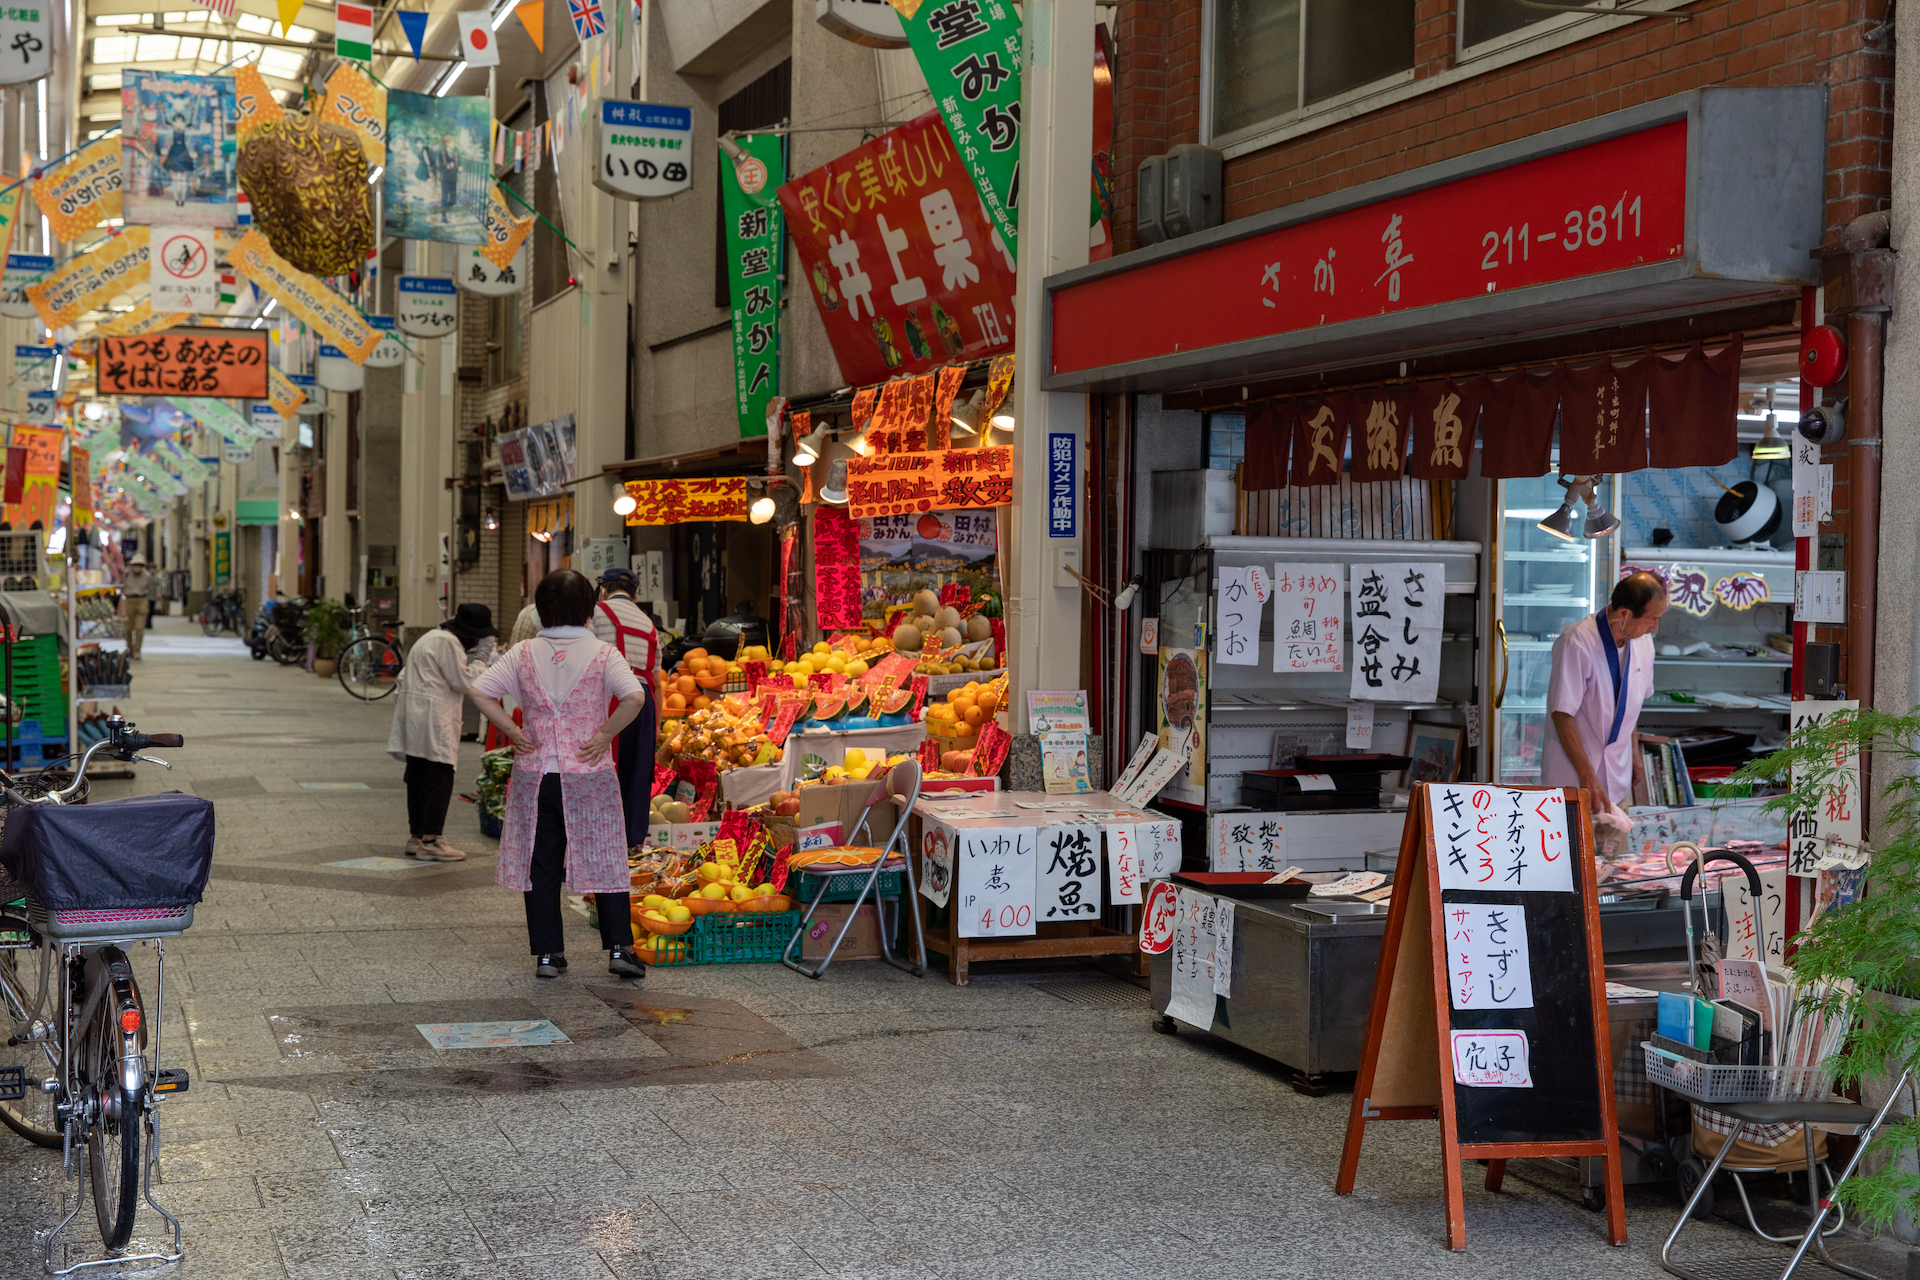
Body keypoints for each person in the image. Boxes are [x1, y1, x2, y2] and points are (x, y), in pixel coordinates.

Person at [469, 570, 648, 981]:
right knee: (605, 855)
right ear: (590, 608)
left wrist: (514, 732)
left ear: (541, 608)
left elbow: (480, 691)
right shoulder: (604, 653)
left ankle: (549, 954)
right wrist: (604, 735)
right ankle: (620, 949)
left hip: (537, 774)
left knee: (542, 862)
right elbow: (634, 696)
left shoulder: (522, 652)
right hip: (588, 772)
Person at [1543, 571, 1669, 812]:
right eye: (1651, 619)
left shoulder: (1643, 641)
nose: (1655, 627)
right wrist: (1587, 774)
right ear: (1623, 614)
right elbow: (1562, 714)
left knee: (1616, 851)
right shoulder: (1577, 642)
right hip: (1574, 781)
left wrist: (1634, 753)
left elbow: (1630, 704)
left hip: (1618, 781)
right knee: (1575, 849)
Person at [386, 603, 498, 861]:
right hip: (434, 719)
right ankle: (431, 840)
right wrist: (481, 660)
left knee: (417, 776)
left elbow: (402, 678)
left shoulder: (431, 637)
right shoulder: (449, 643)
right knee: (439, 776)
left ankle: (416, 836)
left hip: (414, 716)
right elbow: (465, 683)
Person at [589, 567, 661, 845]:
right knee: (637, 774)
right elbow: (657, 679)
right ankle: (631, 845)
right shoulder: (649, 624)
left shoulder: (596, 612)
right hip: (645, 700)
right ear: (635, 595)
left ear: (603, 590)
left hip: (611, 697)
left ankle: (600, 841)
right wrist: (655, 725)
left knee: (604, 770)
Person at [121, 555, 153, 661]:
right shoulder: (126, 574)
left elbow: (150, 588)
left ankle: (137, 651)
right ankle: (130, 648)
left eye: (139, 565)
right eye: (135, 565)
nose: (137, 567)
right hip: (129, 600)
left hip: (142, 600)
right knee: (128, 628)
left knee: (139, 628)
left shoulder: (147, 576)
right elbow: (122, 587)